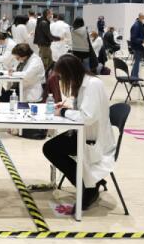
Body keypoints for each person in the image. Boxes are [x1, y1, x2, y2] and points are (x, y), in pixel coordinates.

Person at [42, 54, 116, 211]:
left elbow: (87, 117)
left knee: (51, 149)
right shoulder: (83, 83)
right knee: (50, 148)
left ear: (71, 72)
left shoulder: (93, 85)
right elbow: (85, 111)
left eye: (63, 76)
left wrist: (64, 112)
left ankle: (89, 187)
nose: (62, 80)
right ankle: (87, 182)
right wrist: (68, 109)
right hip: (84, 133)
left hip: (93, 138)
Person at [129, 13, 144, 79]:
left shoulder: (141, 25)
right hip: (137, 47)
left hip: (140, 47)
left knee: (137, 63)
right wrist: (143, 41)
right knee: (137, 63)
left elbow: (140, 35)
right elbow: (133, 38)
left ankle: (133, 77)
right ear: (141, 17)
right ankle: (134, 78)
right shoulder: (136, 25)